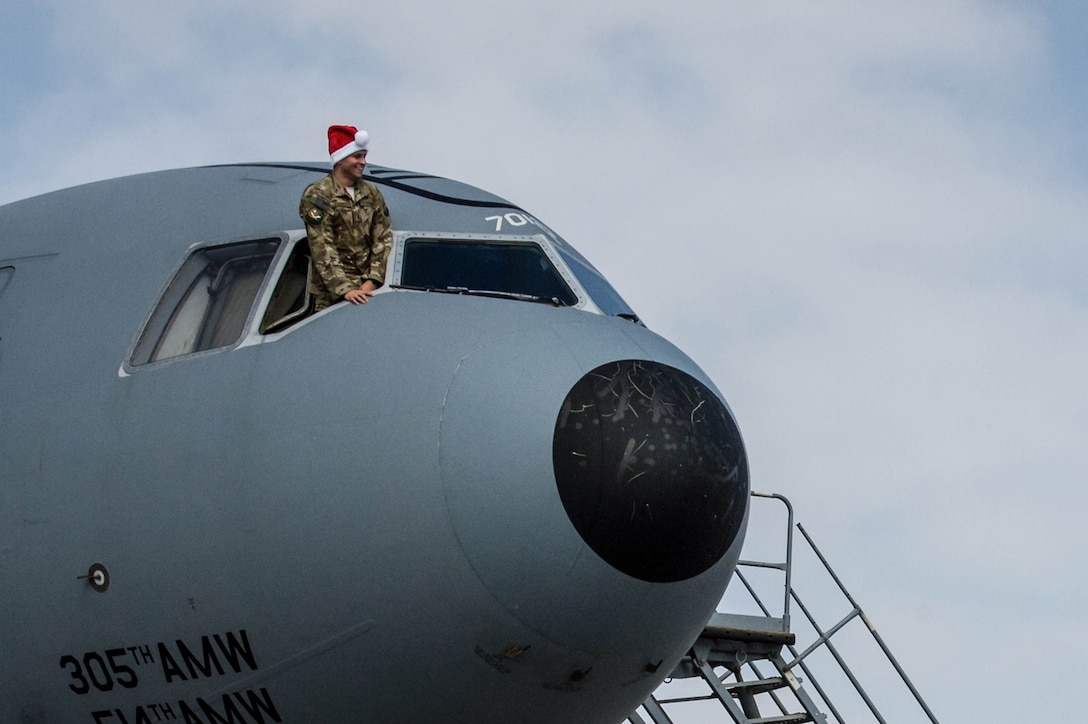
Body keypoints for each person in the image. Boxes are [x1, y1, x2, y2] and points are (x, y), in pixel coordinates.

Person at [299, 124, 393, 310]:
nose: (363, 162)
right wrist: (344, 289)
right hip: (330, 296)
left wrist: (372, 280)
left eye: (364, 156)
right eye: (357, 156)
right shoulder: (318, 194)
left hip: (370, 290)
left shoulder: (371, 193)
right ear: (341, 159)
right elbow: (322, 245)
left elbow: (382, 238)